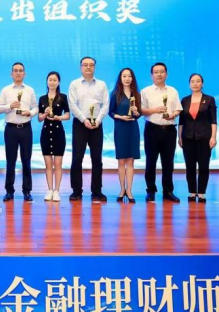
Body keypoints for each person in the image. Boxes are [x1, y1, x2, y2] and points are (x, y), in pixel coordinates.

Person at [67, 56, 109, 202]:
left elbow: (105, 104)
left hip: (97, 124)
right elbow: (72, 105)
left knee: (97, 159)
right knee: (77, 158)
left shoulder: (102, 84)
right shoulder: (74, 84)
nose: (88, 67)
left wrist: (98, 120)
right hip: (80, 124)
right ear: (81, 67)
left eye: (91, 65)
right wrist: (84, 120)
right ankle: (76, 191)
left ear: (95, 67)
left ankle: (97, 191)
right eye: (85, 65)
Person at [140, 62, 183, 203]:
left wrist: (173, 115)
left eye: (162, 72)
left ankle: (168, 191)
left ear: (166, 74)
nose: (159, 74)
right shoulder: (145, 91)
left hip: (169, 130)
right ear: (151, 75)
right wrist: (155, 110)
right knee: (150, 161)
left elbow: (178, 109)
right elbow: (141, 111)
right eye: (156, 72)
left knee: (168, 162)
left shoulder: (172, 91)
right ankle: (150, 191)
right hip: (152, 129)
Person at [0, 62, 38, 202]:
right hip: (11, 129)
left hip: (26, 128)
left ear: (24, 74)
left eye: (21, 70)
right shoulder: (6, 90)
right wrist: (10, 106)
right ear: (11, 74)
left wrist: (30, 113)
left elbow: (35, 107)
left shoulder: (30, 90)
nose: (18, 73)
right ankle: (9, 191)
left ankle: (27, 191)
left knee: (26, 160)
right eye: (15, 70)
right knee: (10, 161)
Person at [179, 74, 218, 203]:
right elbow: (181, 122)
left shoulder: (209, 99)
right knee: (189, 166)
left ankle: (201, 193)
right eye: (192, 81)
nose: (195, 84)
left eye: (198, 81)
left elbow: (213, 120)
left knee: (203, 166)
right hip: (187, 137)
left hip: (204, 137)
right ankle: (192, 192)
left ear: (202, 84)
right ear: (189, 84)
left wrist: (213, 137)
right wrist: (179, 137)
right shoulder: (184, 100)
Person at [108, 68, 142, 203]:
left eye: (129, 76)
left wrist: (136, 112)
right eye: (124, 76)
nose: (127, 78)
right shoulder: (115, 94)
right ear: (120, 78)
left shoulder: (137, 94)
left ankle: (129, 190)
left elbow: (139, 114)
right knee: (121, 160)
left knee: (131, 161)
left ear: (132, 78)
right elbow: (111, 112)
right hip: (120, 128)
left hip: (133, 129)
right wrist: (120, 117)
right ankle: (122, 189)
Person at [38, 71, 70, 202]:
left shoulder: (63, 97)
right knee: (48, 164)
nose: (52, 82)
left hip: (58, 132)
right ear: (47, 82)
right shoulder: (42, 99)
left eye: (54, 80)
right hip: (46, 133)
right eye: (50, 80)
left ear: (58, 82)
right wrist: (45, 114)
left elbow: (68, 115)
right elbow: (39, 118)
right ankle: (49, 189)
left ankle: (57, 190)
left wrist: (58, 117)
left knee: (58, 164)